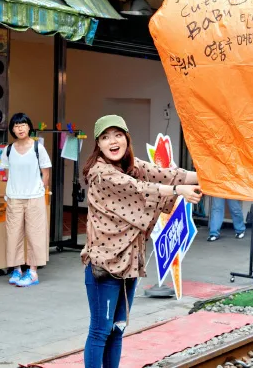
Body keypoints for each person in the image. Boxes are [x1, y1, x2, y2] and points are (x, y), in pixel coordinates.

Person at [82, 115, 201, 368]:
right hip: (105, 267)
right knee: (100, 331)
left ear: (126, 137)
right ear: (98, 145)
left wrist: (204, 176)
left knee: (118, 328)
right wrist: (179, 191)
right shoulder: (100, 174)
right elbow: (137, 189)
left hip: (129, 264)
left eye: (117, 135)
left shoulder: (132, 165)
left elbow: (165, 174)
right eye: (105, 137)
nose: (112, 142)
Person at [1, 113, 52, 287]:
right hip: (14, 197)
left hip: (34, 197)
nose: (20, 128)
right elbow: (7, 174)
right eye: (16, 125)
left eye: (23, 124)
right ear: (12, 129)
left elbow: (46, 173)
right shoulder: (8, 150)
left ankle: (32, 272)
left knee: (35, 234)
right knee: (13, 234)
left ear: (29, 127)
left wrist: (41, 190)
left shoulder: (38, 147)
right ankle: (16, 269)